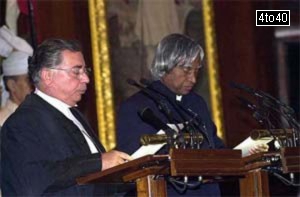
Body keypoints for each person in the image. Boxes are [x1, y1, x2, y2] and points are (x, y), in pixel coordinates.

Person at [116, 33, 268, 196]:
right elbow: (133, 165)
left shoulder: (196, 102)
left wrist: (244, 154)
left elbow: (214, 147)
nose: (193, 79)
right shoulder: (136, 107)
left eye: (196, 71)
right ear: (165, 64)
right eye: (187, 70)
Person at [1, 38, 131, 196]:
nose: (86, 79)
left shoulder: (74, 114)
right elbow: (33, 180)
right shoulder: (22, 122)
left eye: (85, 71)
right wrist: (98, 162)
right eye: (77, 71)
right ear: (47, 76)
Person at [0, 51, 33, 126]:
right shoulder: (3, 122)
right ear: (12, 85)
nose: (34, 86)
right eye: (29, 80)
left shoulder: (40, 113)